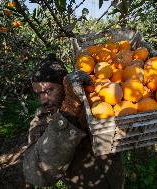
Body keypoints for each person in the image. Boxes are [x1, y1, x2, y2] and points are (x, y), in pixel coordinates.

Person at [23, 54, 125, 189]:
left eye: (48, 91)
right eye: (39, 93)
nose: (43, 100)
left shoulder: (93, 100)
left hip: (116, 178)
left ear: (64, 85)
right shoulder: (42, 121)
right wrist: (68, 111)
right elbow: (36, 174)